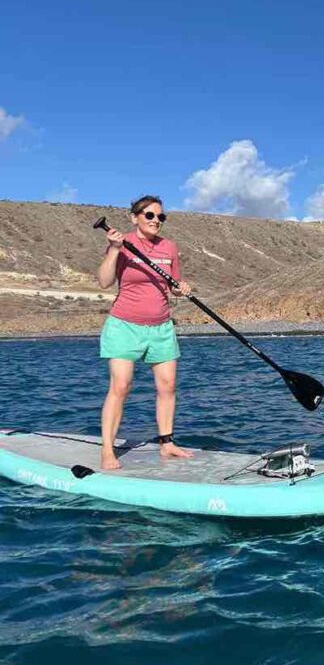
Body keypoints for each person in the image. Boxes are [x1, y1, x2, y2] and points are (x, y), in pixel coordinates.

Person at [97, 196, 194, 470]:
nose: (155, 221)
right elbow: (104, 282)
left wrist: (182, 288)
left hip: (162, 327)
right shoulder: (122, 243)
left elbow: (172, 284)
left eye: (160, 217)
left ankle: (167, 443)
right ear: (134, 217)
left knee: (167, 386)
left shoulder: (169, 248)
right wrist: (115, 250)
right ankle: (107, 450)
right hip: (124, 326)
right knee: (121, 386)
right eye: (149, 215)